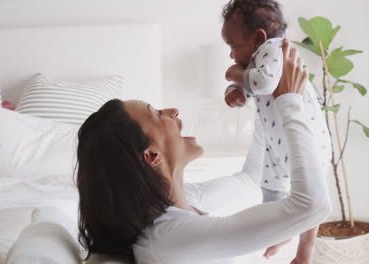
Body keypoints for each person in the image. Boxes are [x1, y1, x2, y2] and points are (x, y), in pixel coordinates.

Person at [76, 40, 332, 264]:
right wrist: (289, 101)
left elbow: (251, 179)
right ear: (152, 156)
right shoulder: (169, 239)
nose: (173, 111)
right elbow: (313, 205)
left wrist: (264, 96)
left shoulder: (180, 203)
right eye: (157, 114)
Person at [221, 0, 332, 262]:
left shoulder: (274, 49)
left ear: (258, 38)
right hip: (276, 143)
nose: (231, 56)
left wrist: (235, 74)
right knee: (271, 194)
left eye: (233, 46)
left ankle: (306, 248)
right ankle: (279, 233)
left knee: (309, 197)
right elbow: (251, 88)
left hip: (305, 141)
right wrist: (234, 91)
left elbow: (263, 82)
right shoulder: (256, 60)